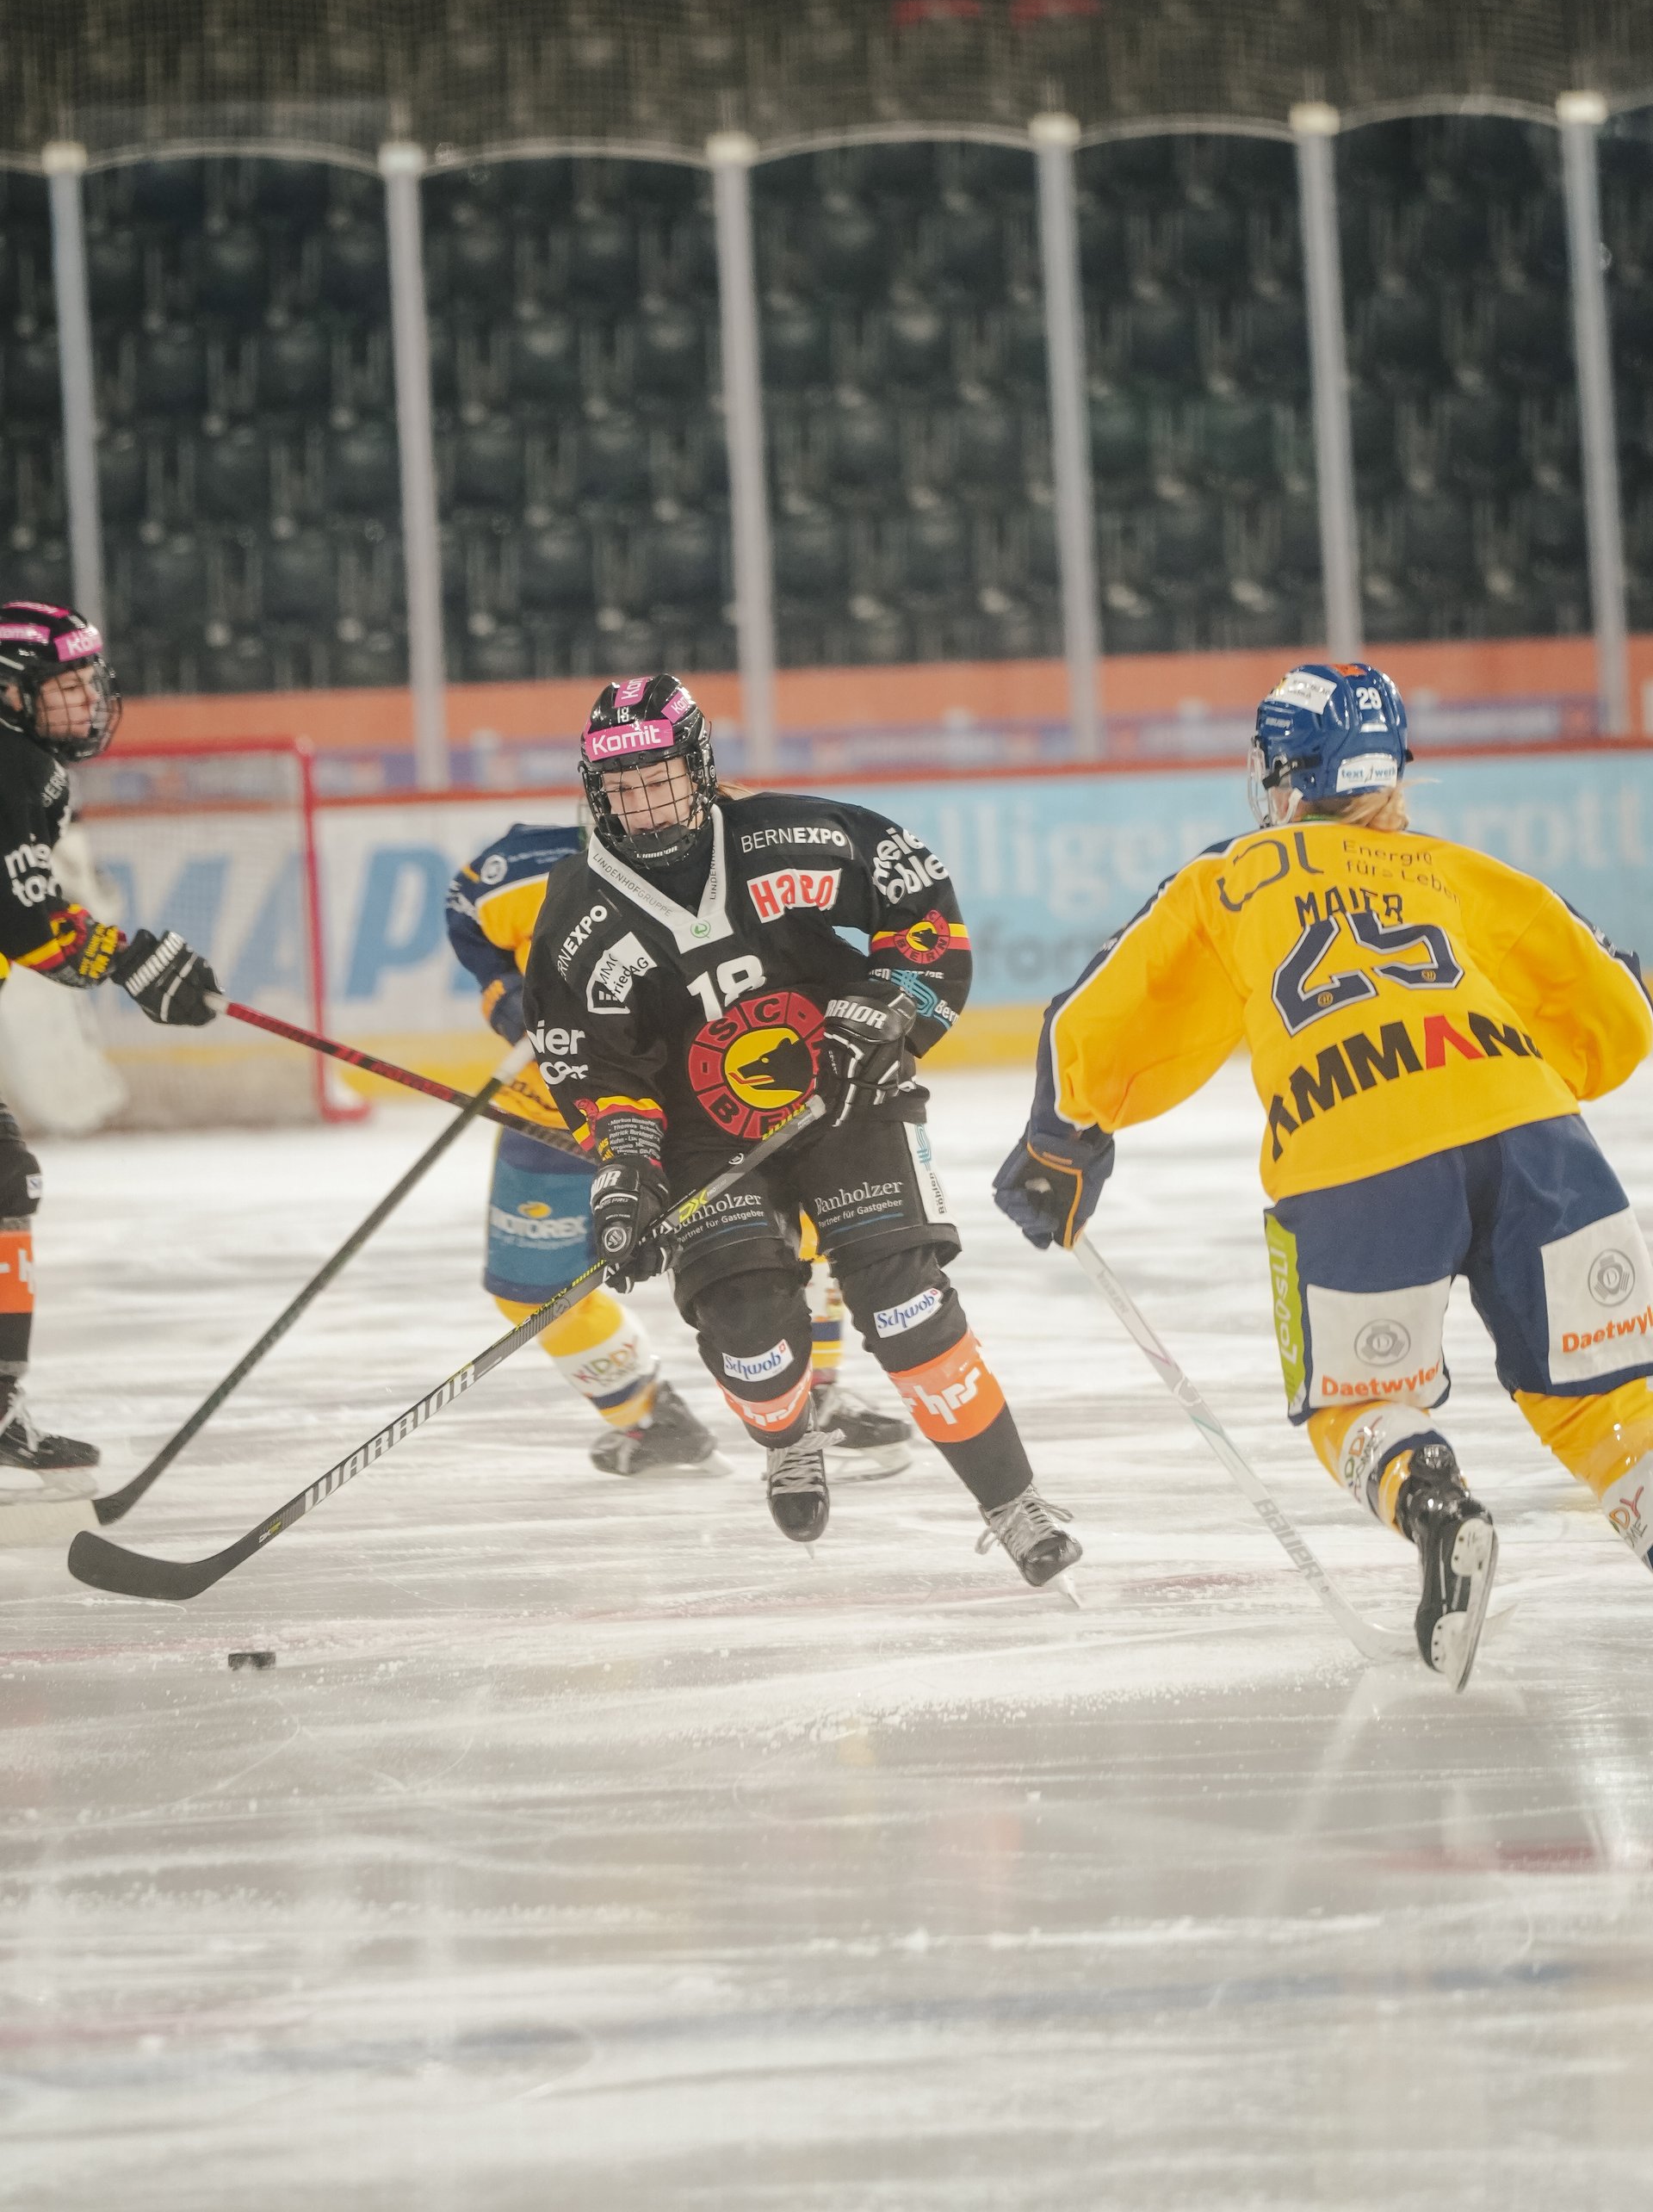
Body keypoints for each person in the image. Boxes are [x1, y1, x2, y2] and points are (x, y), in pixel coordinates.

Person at [995, 659, 1653, 1685]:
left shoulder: (1236, 873)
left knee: (1357, 1400)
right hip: (1535, 1135)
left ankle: (1435, 1503)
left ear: (1283, 771)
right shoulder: (1453, 869)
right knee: (1606, 1390)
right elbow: (1617, 1010)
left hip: (1353, 1146)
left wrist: (1060, 1143)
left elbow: (1098, 1017)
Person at [519, 672, 1078, 1586]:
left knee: (905, 1304)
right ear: (595, 789)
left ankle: (1014, 1502)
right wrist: (627, 1171)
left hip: (845, 1095)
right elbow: (597, 1068)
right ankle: (789, 1438)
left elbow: (921, 912)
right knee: (749, 1329)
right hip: (704, 1138)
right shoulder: (577, 914)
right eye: (622, 785)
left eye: (658, 776)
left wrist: (888, 1008)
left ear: (699, 767)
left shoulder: (794, 836)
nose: (643, 801)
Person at [446, 812, 912, 1479]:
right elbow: (466, 917)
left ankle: (814, 1393)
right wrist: (506, 993)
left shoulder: (732, 865)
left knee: (794, 1238)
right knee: (533, 1287)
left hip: (692, 1113)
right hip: (552, 1113)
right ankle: (650, 1417)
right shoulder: (515, 872)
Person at [0, 601, 219, 1498]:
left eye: (90, 681)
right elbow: (26, 922)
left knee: (5, 1184)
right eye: (66, 685)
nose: (87, 700)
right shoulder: (16, 765)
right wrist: (129, 961)